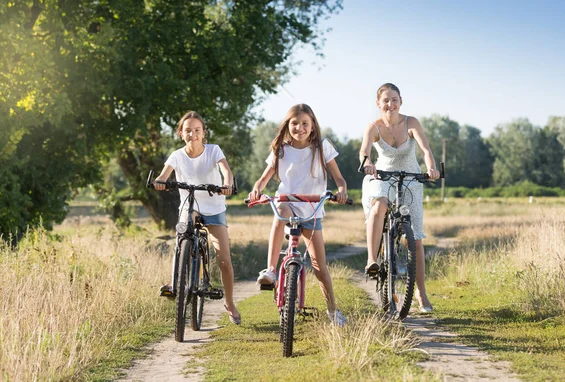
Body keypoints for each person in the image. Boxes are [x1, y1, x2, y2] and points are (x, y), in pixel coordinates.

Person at [248, 104, 349, 326]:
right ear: (287, 125)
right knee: (280, 213)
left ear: (312, 126)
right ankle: (272, 270)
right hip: (288, 200)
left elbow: (339, 179)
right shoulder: (281, 149)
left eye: (305, 123)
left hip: (312, 208)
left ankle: (333, 311)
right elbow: (264, 179)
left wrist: (341, 190)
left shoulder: (322, 147)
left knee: (320, 267)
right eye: (294, 123)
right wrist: (257, 189)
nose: (299, 128)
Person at [153, 111, 241, 325]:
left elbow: (226, 171)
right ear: (181, 133)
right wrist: (160, 180)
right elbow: (165, 174)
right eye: (188, 130)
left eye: (197, 130)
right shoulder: (176, 155)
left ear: (203, 133)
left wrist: (227, 184)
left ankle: (229, 302)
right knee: (182, 236)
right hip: (190, 205)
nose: (193, 134)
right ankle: (176, 283)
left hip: (214, 206)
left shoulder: (213, 151)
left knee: (224, 260)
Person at [359, 83, 440, 313]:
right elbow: (364, 150)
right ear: (378, 103)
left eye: (394, 99)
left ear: (400, 101)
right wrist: (367, 164)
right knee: (379, 206)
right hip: (382, 176)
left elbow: (426, 150)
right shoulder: (373, 126)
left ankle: (421, 294)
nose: (390, 104)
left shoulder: (410, 122)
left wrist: (431, 168)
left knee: (414, 240)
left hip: (412, 177)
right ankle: (372, 260)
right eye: (385, 100)